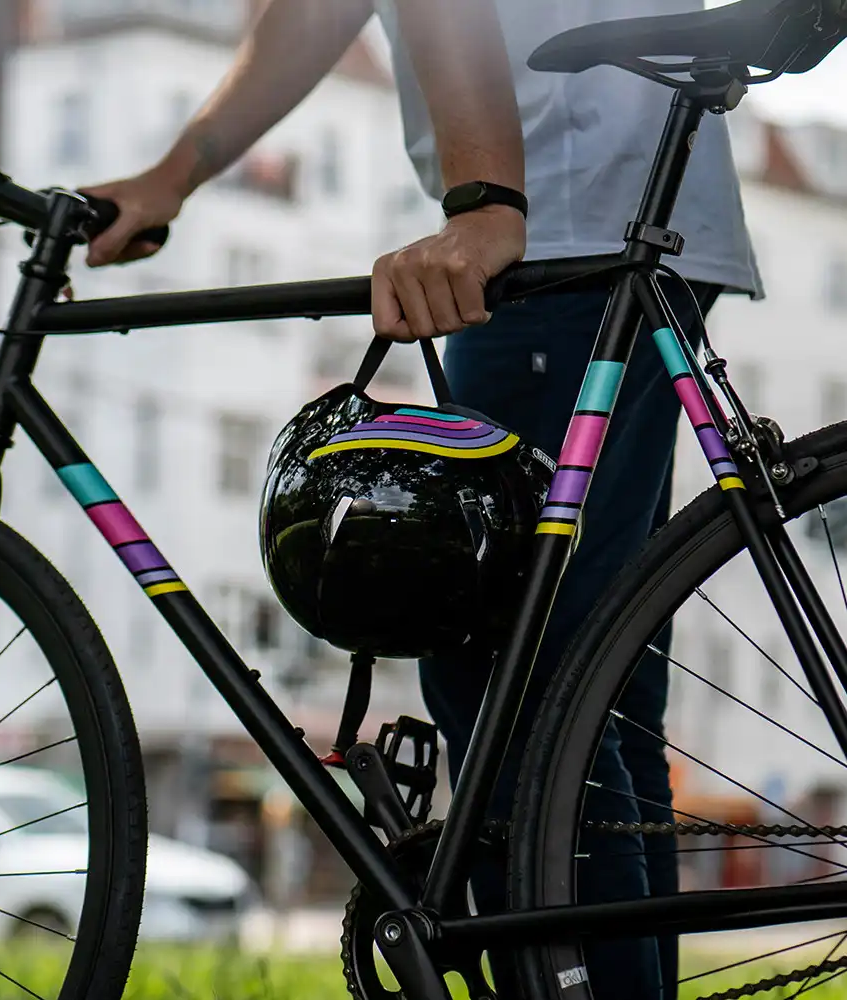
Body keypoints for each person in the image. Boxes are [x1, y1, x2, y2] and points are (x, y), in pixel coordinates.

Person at [85, 2, 761, 996]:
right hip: (596, 196)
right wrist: (173, 174)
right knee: (590, 696)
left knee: (513, 688)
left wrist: (484, 202)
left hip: (553, 215)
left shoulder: (516, 211)